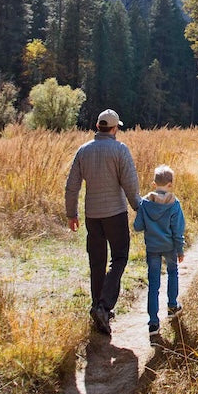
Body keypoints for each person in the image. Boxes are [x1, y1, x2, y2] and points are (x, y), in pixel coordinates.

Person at [65, 108, 140, 336]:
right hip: (115, 214)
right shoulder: (120, 149)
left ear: (98, 126)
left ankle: (97, 307)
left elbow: (72, 186)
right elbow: (130, 184)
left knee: (97, 262)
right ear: (115, 128)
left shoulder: (83, 151)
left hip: (92, 216)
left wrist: (71, 214)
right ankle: (104, 306)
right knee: (119, 257)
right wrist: (139, 208)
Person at [134, 164, 186, 337]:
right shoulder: (174, 204)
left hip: (152, 248)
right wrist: (180, 250)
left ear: (154, 183)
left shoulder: (145, 203)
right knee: (172, 273)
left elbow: (138, 226)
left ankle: (153, 323)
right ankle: (172, 305)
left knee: (153, 284)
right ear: (170, 184)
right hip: (170, 247)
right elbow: (178, 230)